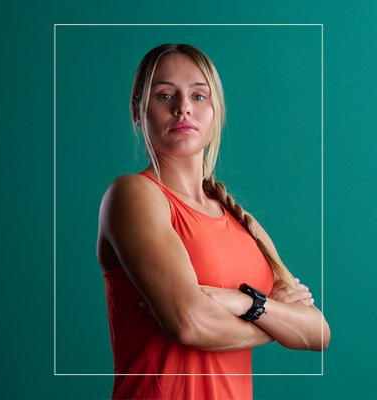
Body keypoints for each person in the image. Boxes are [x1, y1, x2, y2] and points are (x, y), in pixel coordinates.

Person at [97, 43, 330, 400]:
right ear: (137, 110)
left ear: (216, 111)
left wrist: (242, 303)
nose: (183, 107)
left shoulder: (241, 221)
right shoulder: (133, 194)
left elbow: (317, 332)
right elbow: (190, 323)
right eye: (164, 95)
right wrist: (273, 319)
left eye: (198, 96)